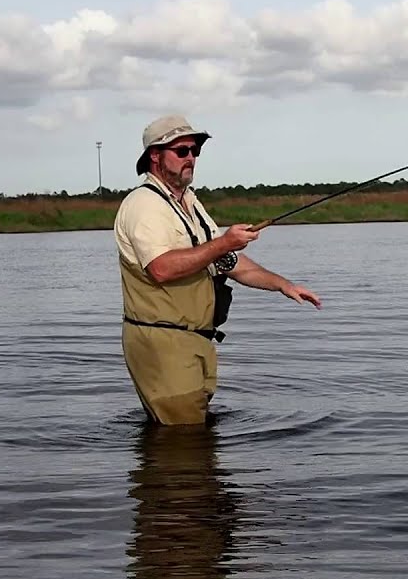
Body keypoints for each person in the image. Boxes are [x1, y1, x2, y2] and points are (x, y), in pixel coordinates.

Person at [114, 114, 321, 426]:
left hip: (194, 341)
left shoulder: (189, 202)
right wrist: (224, 242)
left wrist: (282, 284)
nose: (191, 158)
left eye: (195, 151)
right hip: (164, 344)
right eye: (181, 151)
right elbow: (161, 269)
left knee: (190, 440)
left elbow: (225, 261)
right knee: (182, 441)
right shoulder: (144, 205)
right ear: (155, 156)